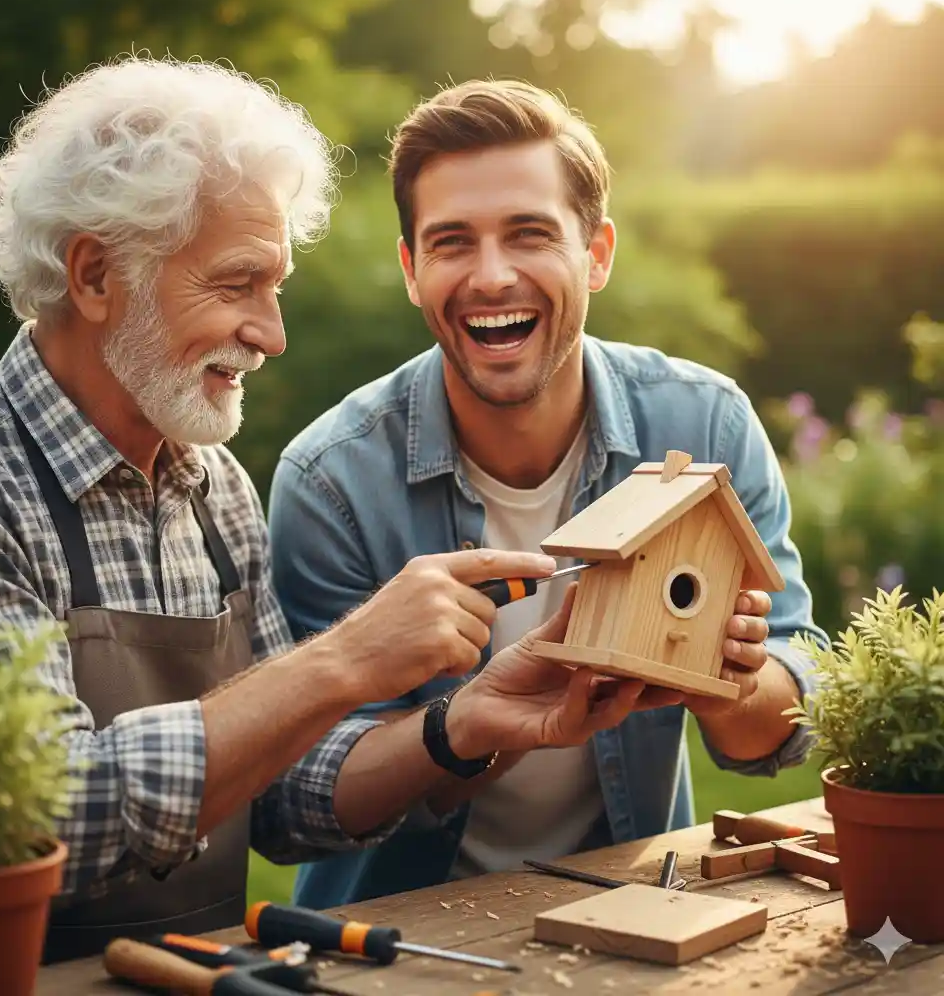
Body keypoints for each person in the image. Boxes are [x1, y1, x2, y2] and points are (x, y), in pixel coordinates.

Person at [0, 58, 667, 963]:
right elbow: (42, 814)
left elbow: (278, 799)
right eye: (236, 285)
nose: (272, 333)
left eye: (274, 288)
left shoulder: (213, 488)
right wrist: (347, 659)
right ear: (93, 275)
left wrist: (458, 727)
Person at [268, 78, 830, 910]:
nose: (491, 276)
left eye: (529, 234)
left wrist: (734, 680)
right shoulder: (333, 481)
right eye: (452, 242)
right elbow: (303, 796)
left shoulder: (703, 425)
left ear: (596, 254)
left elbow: (795, 693)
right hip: (393, 938)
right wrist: (467, 728)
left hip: (630, 909)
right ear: (412, 270)